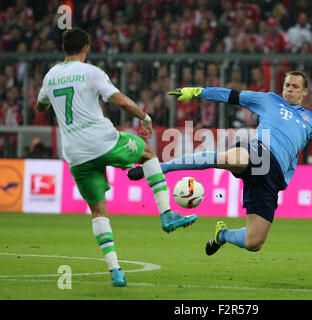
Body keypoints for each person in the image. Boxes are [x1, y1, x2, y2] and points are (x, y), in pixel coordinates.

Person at [128, 70, 312, 256]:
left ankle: (223, 234)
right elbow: (232, 96)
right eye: (286, 85)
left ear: (305, 92)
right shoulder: (269, 100)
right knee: (226, 159)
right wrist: (199, 91)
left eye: (294, 87)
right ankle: (156, 168)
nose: (288, 89)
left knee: (254, 242)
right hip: (258, 151)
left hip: (273, 178)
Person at [36, 28, 197, 287]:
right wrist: (144, 117)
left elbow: (40, 105)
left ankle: (116, 270)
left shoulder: (51, 76)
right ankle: (167, 214)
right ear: (86, 47)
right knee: (147, 152)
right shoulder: (91, 72)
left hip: (75, 154)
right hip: (102, 140)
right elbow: (119, 100)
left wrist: (50, 101)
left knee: (99, 210)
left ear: (63, 47)